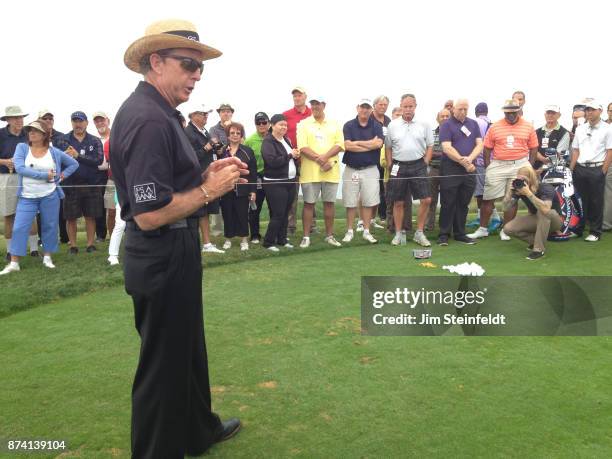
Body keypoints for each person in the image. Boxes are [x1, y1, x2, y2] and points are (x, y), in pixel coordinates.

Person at [110, 18, 243, 458]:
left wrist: (205, 175)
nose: (197, 74)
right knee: (162, 365)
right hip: (160, 251)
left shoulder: (163, 115)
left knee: (187, 348)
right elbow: (149, 215)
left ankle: (197, 431)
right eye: (188, 64)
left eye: (200, 65)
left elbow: (169, 184)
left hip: (175, 248)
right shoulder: (147, 119)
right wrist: (210, 191)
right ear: (156, 62)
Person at [0, 119, 78, 275]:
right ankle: (14, 262)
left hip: (50, 195)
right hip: (26, 196)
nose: (31, 133)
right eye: (30, 130)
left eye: (35, 130)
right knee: (20, 227)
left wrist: (61, 177)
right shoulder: (22, 148)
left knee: (50, 226)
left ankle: (47, 257)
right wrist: (44, 176)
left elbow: (74, 164)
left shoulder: (54, 152)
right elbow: (20, 169)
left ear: (44, 134)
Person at [468, 99, 538, 241]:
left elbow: (534, 147)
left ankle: (506, 230)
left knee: (511, 198)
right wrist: (489, 166)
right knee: (488, 197)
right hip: (498, 163)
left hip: (519, 164)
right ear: (504, 112)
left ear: (518, 111)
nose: (510, 115)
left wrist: (528, 165)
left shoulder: (528, 126)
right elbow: (487, 147)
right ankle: (483, 229)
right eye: (507, 112)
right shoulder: (495, 126)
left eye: (513, 112)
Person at [385, 93, 433, 247]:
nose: (407, 109)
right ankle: (398, 233)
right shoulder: (393, 125)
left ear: (415, 107)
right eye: (405, 106)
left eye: (410, 106)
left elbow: (430, 145)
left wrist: (426, 161)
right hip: (398, 166)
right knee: (398, 202)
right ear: (401, 106)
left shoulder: (424, 124)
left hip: (419, 164)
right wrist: (391, 163)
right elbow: (388, 146)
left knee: (426, 199)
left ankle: (419, 233)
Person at [297, 96, 344, 248]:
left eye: (318, 104)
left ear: (324, 105)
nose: (315, 106)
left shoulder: (334, 124)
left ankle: (329, 236)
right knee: (309, 204)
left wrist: (324, 158)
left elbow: (340, 144)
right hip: (310, 172)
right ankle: (306, 237)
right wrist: (321, 160)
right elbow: (302, 147)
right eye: (313, 104)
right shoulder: (303, 124)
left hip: (330, 170)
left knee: (329, 204)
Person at [437, 99, 482, 245]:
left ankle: (460, 233)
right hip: (451, 168)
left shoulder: (473, 124)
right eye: (460, 109)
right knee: (448, 202)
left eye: (465, 109)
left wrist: (470, 159)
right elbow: (446, 147)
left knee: (463, 202)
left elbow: (480, 144)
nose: (463, 112)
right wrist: (462, 161)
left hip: (469, 169)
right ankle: (444, 234)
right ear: (454, 109)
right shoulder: (447, 125)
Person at [184, 104, 225, 253]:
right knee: (198, 210)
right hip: (196, 177)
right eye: (203, 114)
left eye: (207, 114)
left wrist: (217, 149)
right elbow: (189, 157)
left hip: (207, 174)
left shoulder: (203, 131)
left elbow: (208, 151)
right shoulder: (188, 132)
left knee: (204, 210)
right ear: (193, 115)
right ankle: (200, 244)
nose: (206, 116)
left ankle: (207, 244)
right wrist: (206, 148)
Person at [62, 111, 104, 253]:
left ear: (86, 123)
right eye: (75, 121)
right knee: (71, 217)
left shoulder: (95, 140)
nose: (77, 124)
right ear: (71, 122)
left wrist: (77, 156)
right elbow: (60, 160)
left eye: (80, 121)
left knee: (90, 215)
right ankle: (73, 246)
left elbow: (98, 160)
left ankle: (90, 244)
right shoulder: (64, 140)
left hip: (90, 183)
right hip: (70, 183)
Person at [341, 98, 383, 244]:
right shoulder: (349, 125)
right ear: (357, 108)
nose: (364, 110)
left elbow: (378, 144)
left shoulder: (376, 125)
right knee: (350, 202)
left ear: (371, 109)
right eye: (362, 107)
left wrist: (357, 143)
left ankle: (366, 231)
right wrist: (368, 144)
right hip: (351, 169)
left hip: (370, 169)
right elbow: (347, 146)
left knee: (368, 201)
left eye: (367, 107)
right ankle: (349, 231)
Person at [570, 99, 612, 241]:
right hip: (580, 168)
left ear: (600, 111)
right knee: (579, 201)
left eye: (592, 110)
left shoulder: (607, 128)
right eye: (587, 110)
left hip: (597, 168)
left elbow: (610, 151)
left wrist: (603, 170)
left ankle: (595, 232)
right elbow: (575, 149)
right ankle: (578, 229)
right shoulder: (581, 128)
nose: (589, 112)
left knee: (596, 201)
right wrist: (572, 167)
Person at [502, 166, 563, 260]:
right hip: (537, 218)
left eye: (524, 179)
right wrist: (509, 194)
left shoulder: (545, 188)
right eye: (519, 179)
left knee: (543, 212)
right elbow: (505, 208)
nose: (522, 182)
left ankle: (538, 250)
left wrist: (529, 193)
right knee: (508, 228)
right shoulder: (520, 189)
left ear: (531, 179)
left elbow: (546, 209)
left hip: (555, 220)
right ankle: (536, 242)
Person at [260, 114, 299, 251]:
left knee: (286, 212)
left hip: (290, 182)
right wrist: (290, 155)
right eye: (280, 124)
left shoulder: (286, 140)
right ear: (272, 125)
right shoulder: (268, 141)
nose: (284, 127)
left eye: (285, 125)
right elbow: (272, 161)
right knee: (278, 213)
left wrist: (294, 156)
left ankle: (282, 239)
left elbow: (289, 159)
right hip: (275, 183)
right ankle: (268, 242)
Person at [0, 105, 33, 260]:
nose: (19, 120)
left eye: (21, 117)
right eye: (15, 118)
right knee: (9, 215)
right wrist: (5, 161)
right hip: (7, 177)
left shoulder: (28, 134)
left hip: (27, 177)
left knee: (31, 213)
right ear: (7, 120)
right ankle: (10, 251)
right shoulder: (0, 134)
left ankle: (33, 249)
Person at [219, 122, 257, 251]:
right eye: (232, 133)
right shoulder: (222, 151)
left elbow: (253, 172)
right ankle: (228, 239)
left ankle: (244, 239)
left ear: (241, 136)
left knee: (242, 214)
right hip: (226, 189)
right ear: (228, 136)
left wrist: (253, 191)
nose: (235, 135)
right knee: (227, 214)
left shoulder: (247, 151)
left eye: (238, 133)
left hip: (243, 189)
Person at [283, 86, 313, 235]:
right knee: (292, 195)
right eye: (295, 96)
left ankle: (311, 226)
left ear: (305, 96)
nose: (297, 98)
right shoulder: (286, 115)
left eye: (299, 95)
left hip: (310, 159)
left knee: (310, 193)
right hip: (293, 160)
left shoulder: (312, 113)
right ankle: (290, 226)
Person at [38, 109, 69, 244]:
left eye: (51, 118)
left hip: (58, 178)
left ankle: (64, 237)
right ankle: (42, 238)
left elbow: (66, 157)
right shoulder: (34, 136)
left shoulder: (61, 136)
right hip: (40, 178)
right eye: (45, 118)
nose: (49, 121)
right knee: (41, 210)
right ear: (39, 120)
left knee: (61, 208)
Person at [469, 102, 499, 229]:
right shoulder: (493, 124)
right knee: (486, 191)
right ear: (486, 112)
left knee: (481, 193)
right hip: (492, 162)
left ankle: (495, 218)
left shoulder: (474, 122)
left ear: (476, 111)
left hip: (480, 162)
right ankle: (480, 217)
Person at [244, 111, 270, 243]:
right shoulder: (249, 140)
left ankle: (273, 234)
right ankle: (254, 235)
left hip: (272, 177)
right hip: (257, 177)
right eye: (258, 123)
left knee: (275, 207)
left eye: (264, 122)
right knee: (255, 207)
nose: (261, 125)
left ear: (268, 123)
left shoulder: (274, 137)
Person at [365, 95, 391, 229]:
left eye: (385, 105)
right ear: (375, 105)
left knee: (379, 191)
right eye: (380, 104)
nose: (383, 107)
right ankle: (361, 221)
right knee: (366, 191)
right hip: (370, 159)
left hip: (384, 160)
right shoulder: (369, 118)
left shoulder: (388, 120)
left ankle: (372, 220)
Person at [425, 108, 450, 231]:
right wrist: (443, 153)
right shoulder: (431, 133)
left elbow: (452, 152)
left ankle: (444, 226)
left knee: (447, 199)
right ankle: (429, 226)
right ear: (437, 118)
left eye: (447, 116)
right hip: (433, 169)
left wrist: (437, 153)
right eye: (442, 116)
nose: (445, 118)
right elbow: (427, 151)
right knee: (431, 199)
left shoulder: (454, 133)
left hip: (449, 170)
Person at [93, 111, 114, 242]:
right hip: (99, 175)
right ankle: (101, 235)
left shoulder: (117, 135)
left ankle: (122, 232)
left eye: (102, 120)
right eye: (97, 121)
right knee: (100, 206)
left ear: (108, 121)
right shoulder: (94, 140)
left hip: (114, 176)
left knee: (116, 208)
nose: (100, 123)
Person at [534, 105, 570, 170]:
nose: (550, 115)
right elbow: (533, 149)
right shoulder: (536, 132)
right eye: (548, 113)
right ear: (545, 115)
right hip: (537, 169)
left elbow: (560, 153)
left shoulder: (564, 133)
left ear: (559, 115)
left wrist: (545, 162)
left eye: (553, 113)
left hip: (555, 170)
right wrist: (542, 159)